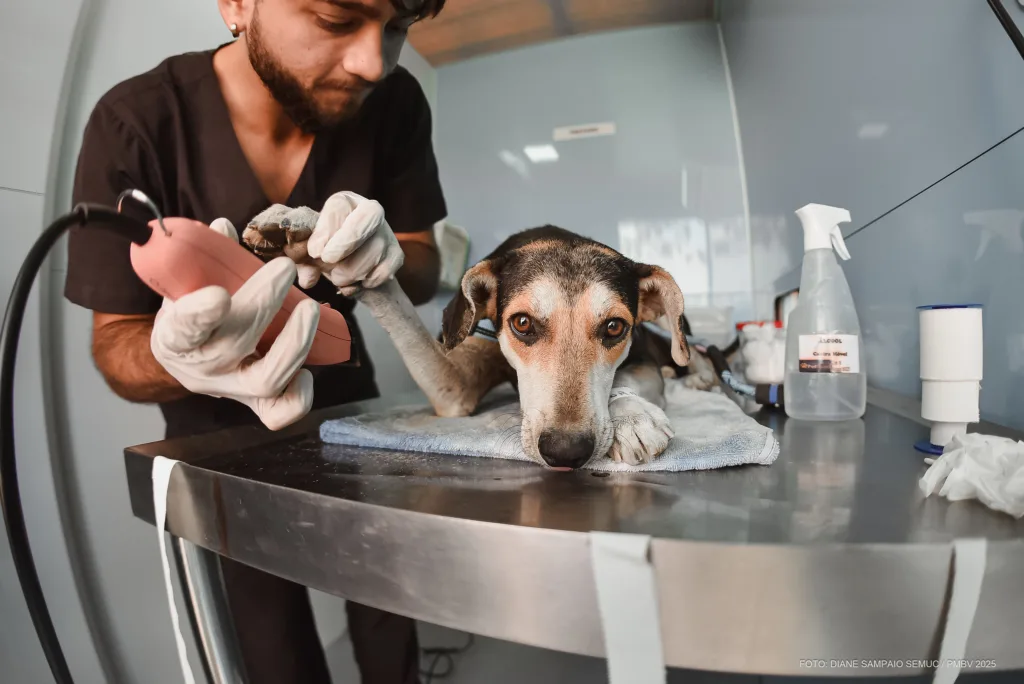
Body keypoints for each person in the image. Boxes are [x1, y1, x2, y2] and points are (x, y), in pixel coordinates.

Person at [63, 1, 448, 682]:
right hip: (214, 448)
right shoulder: (137, 124)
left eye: (397, 27)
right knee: (273, 653)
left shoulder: (396, 104)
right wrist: (173, 356)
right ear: (237, 4)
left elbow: (424, 263)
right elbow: (114, 343)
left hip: (348, 415)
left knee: (389, 612)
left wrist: (389, 261)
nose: (373, 61)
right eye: (336, 18)